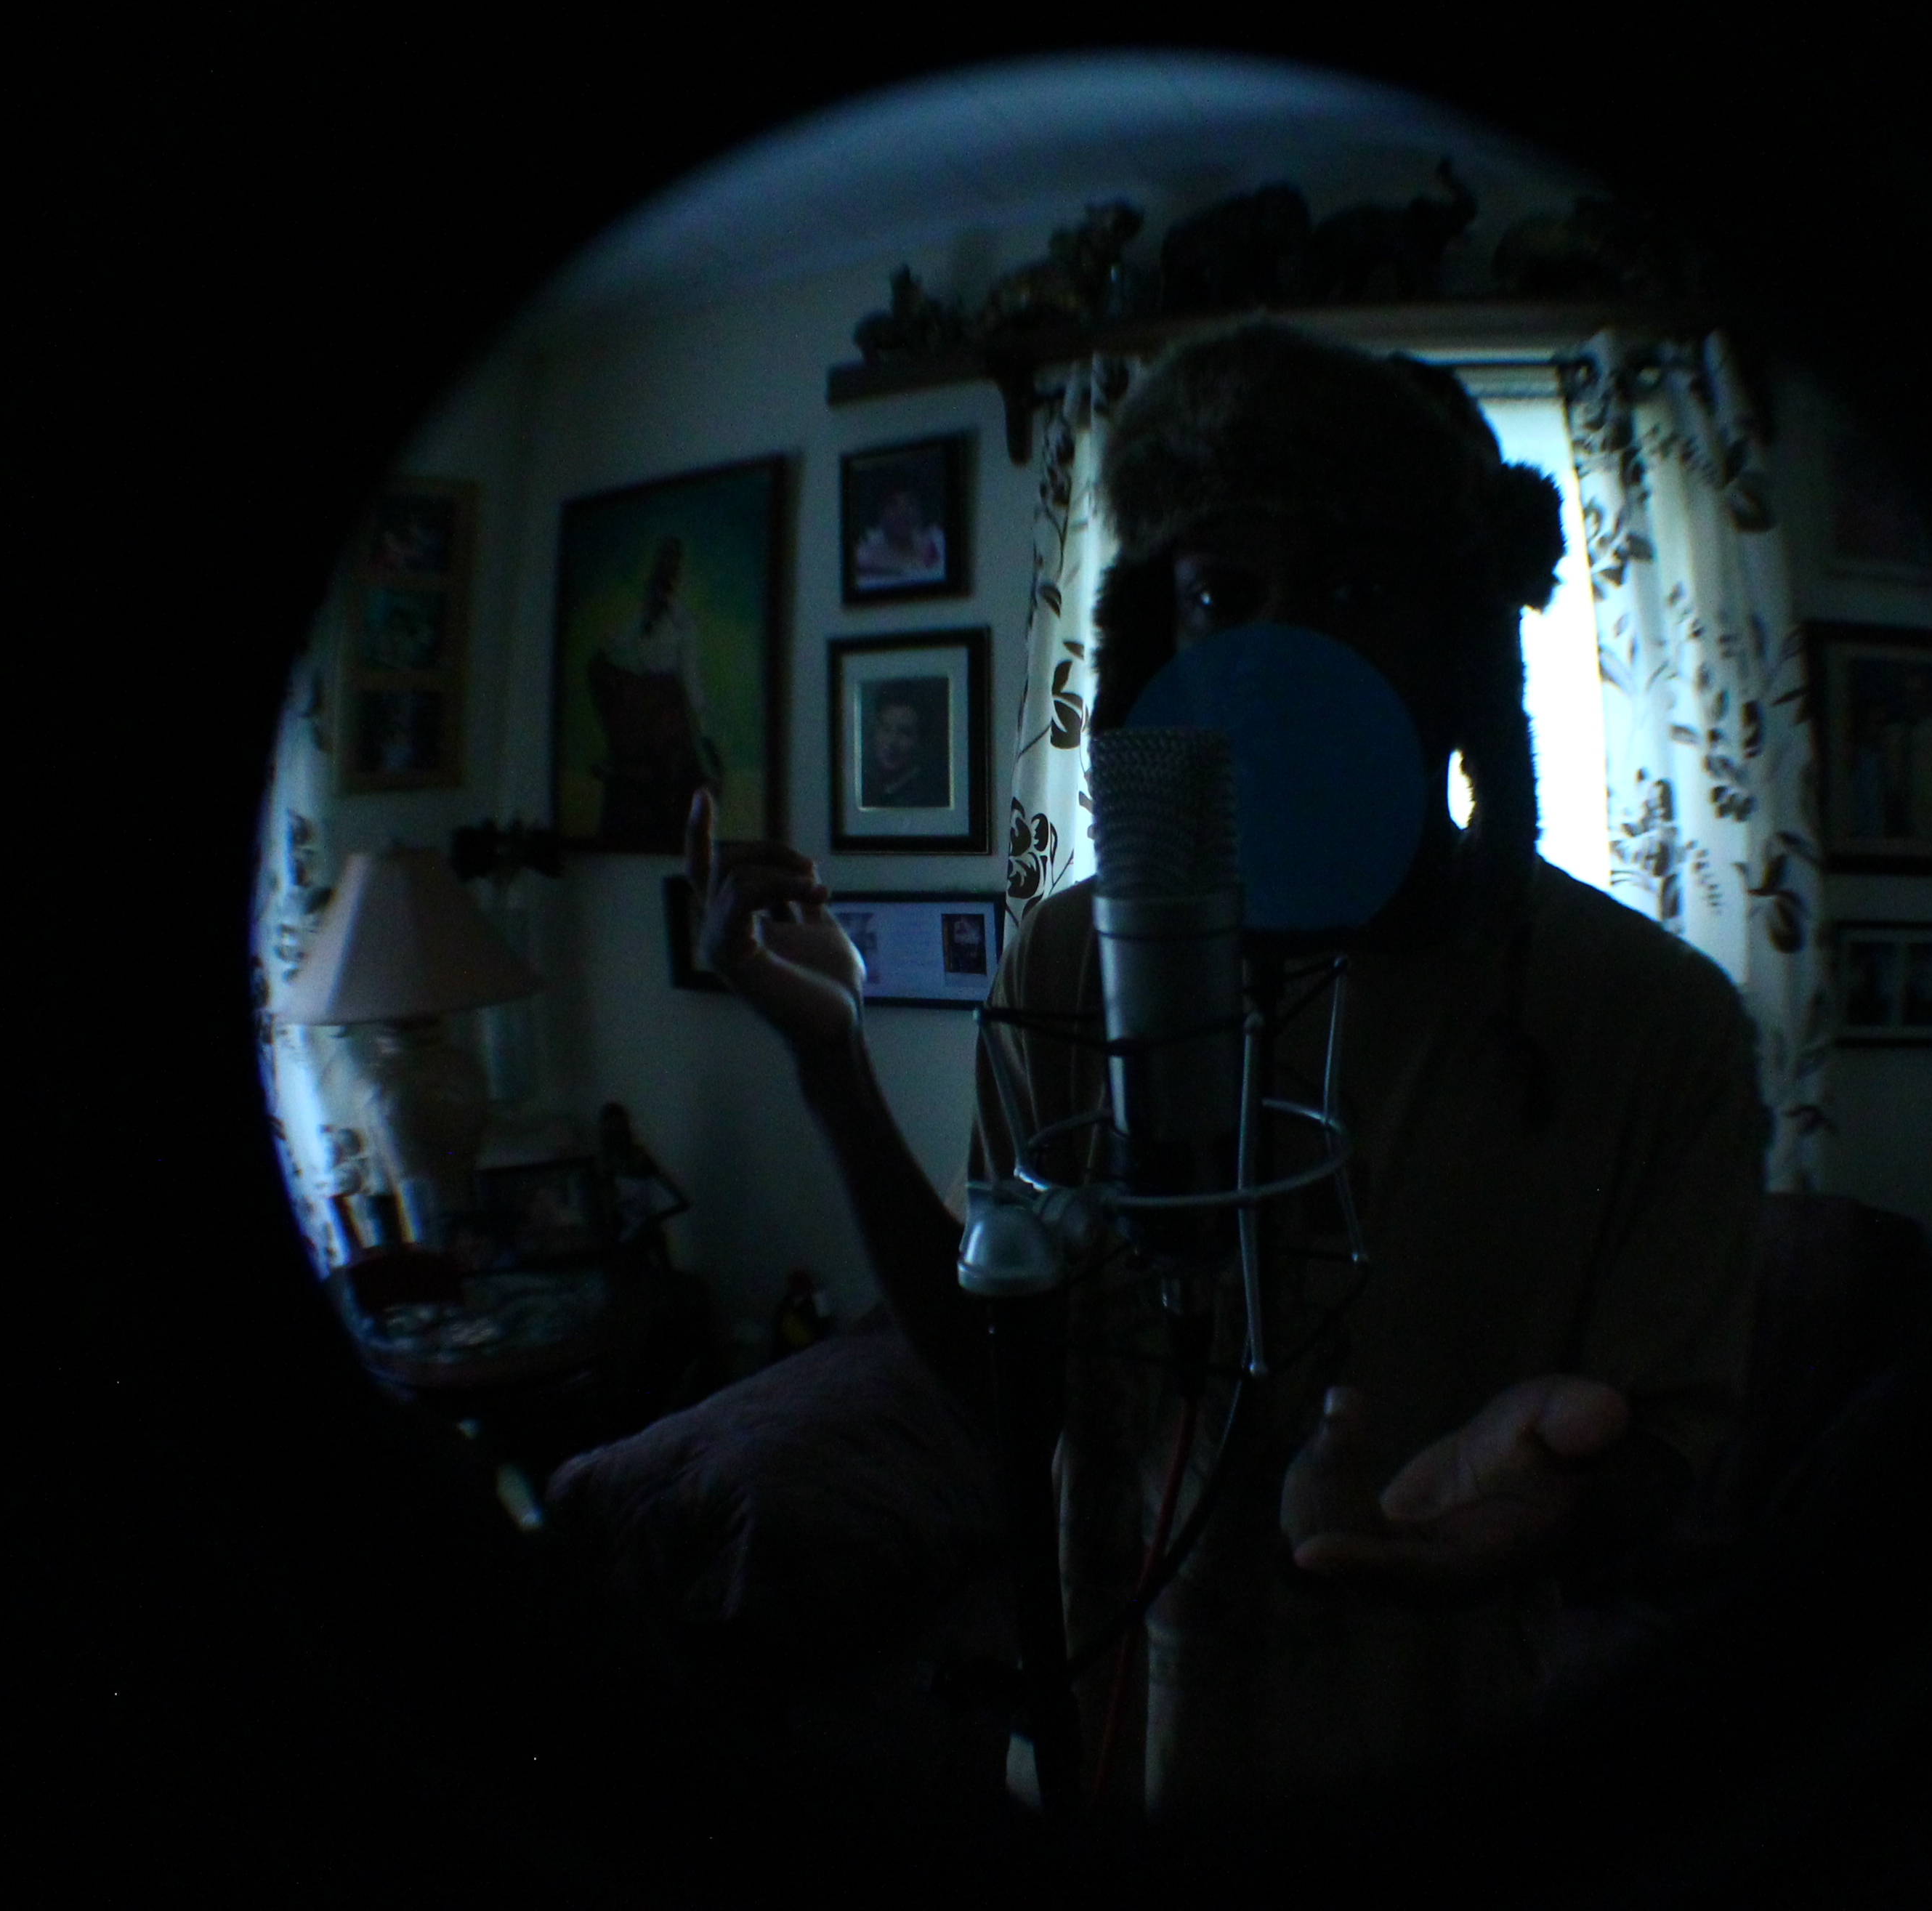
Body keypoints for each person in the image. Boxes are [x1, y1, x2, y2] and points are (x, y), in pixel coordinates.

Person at [683, 323, 1765, 1818]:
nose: (1279, 649)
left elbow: (1665, 1448)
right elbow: (1009, 1382)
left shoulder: (1655, 1020)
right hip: (1101, 1751)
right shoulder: (1068, 961)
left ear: (1456, 637)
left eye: (1350, 588)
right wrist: (831, 1067)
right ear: (1161, 636)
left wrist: (1560, 1492)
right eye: (1221, 592)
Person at [589, 536, 721, 847]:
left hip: (665, 714)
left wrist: (705, 733)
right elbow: (622, 647)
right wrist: (608, 647)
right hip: (643, 710)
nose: (668, 581)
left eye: (673, 574)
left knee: (672, 782)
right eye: (666, 572)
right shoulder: (645, 617)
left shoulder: (682, 622)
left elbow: (692, 683)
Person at [858, 680, 947, 809]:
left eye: (905, 733)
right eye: (886, 729)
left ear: (920, 740)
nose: (892, 742)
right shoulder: (865, 788)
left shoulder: (930, 798)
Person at [852, 478, 947, 587]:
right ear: (879, 512)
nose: (903, 513)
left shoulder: (937, 541)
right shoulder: (863, 555)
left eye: (910, 504)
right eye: (893, 505)